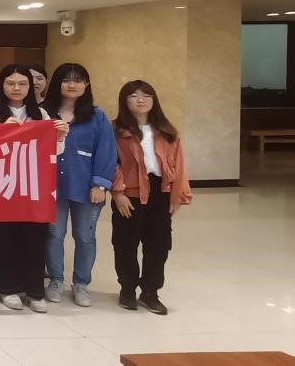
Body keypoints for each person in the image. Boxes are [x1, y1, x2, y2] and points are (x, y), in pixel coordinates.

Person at [0, 65, 68, 314]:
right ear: (2, 85)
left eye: (22, 83)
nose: (16, 88)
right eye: (10, 83)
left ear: (30, 87)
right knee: (4, 237)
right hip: (2, 185)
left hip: (34, 186)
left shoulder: (42, 114)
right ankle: (6, 287)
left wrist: (60, 137)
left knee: (34, 237)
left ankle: (35, 290)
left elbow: (54, 152)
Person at [112, 80, 191, 315]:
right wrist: (118, 193)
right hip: (130, 193)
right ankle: (127, 289)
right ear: (124, 101)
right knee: (125, 243)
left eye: (146, 95)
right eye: (134, 96)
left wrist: (177, 196)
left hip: (160, 192)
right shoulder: (115, 130)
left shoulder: (167, 131)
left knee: (159, 245)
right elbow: (111, 162)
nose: (141, 100)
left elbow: (179, 165)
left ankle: (150, 292)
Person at [42, 62, 117, 308]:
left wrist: (100, 184)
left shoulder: (97, 116)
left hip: (86, 186)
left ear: (86, 84)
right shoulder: (44, 113)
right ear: (57, 84)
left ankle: (81, 283)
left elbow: (107, 151)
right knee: (54, 233)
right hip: (51, 187)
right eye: (66, 80)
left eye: (78, 80)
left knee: (85, 235)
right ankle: (55, 280)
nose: (72, 85)